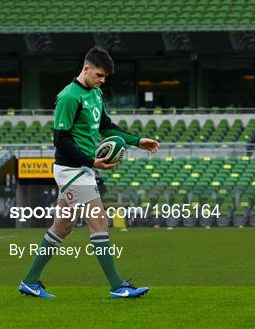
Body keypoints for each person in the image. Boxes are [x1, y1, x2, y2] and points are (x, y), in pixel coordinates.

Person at [18, 46, 160, 299]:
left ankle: (29, 281)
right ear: (86, 69)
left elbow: (106, 127)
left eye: (105, 77)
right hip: (71, 169)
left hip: (82, 168)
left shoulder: (95, 93)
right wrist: (93, 162)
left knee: (62, 227)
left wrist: (138, 141)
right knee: (99, 221)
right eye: (99, 75)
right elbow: (60, 141)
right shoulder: (69, 97)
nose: (102, 80)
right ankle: (118, 286)